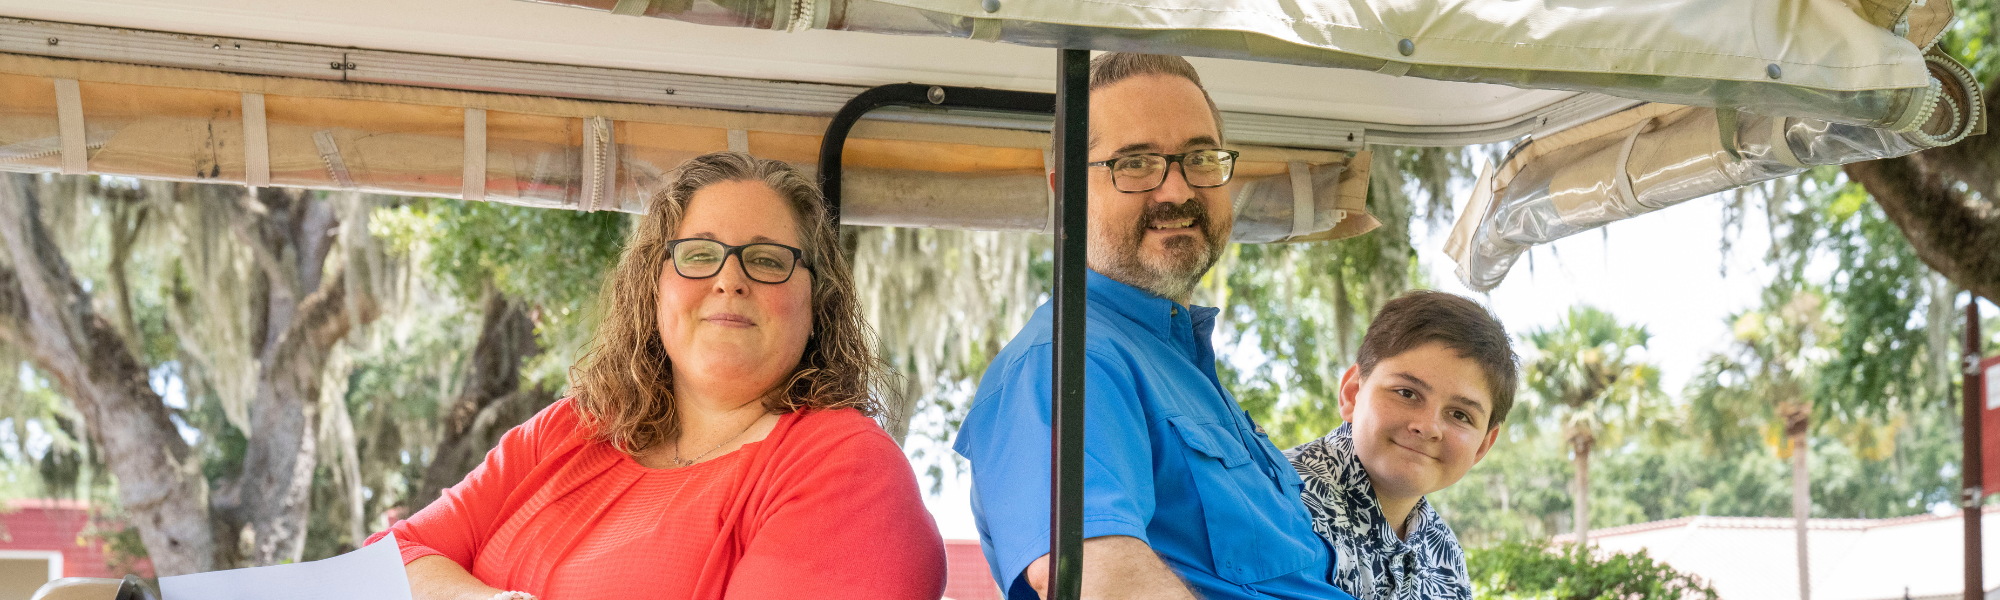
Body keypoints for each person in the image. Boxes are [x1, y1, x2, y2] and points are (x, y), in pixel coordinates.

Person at [366, 152, 947, 600]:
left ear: (817, 301)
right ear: (654, 286)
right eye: (698, 255)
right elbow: (386, 563)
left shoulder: (845, 468)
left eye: (768, 260)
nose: (729, 280)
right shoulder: (570, 431)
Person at [954, 53, 1356, 600]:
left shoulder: (1177, 360)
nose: (1177, 190)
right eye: (1137, 163)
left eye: (1200, 157)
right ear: (1064, 187)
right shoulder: (1066, 360)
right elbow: (1097, 582)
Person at [1285, 290, 1517, 600]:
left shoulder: (1446, 556)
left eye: (1460, 415)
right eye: (1406, 393)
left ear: (1482, 447)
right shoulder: (1275, 499)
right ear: (1352, 394)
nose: (1428, 427)